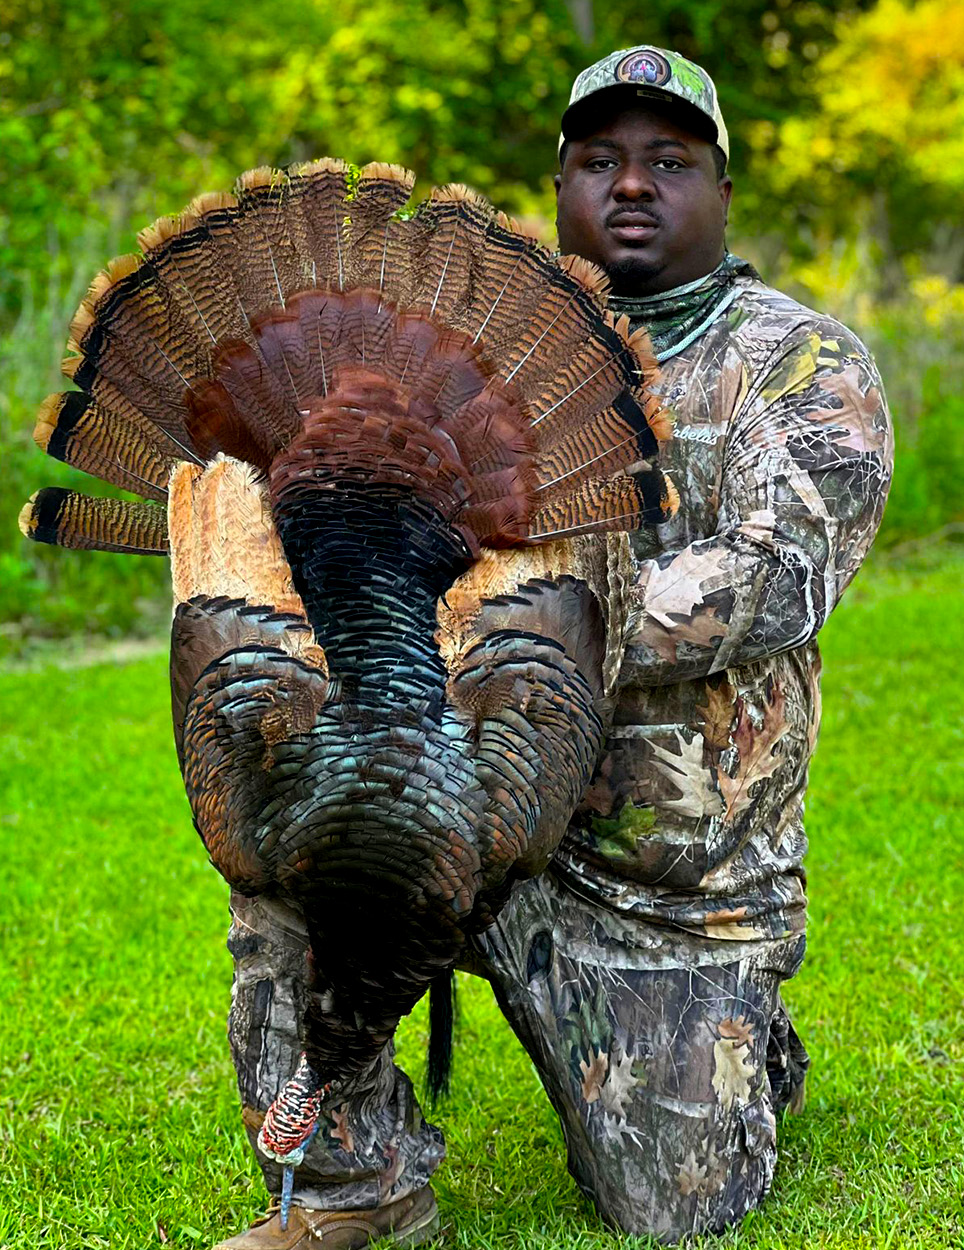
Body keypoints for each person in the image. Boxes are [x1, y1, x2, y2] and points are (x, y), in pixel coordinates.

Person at [217, 45, 893, 1248]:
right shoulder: (459, 360)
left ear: (723, 193)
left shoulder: (798, 361)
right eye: (599, 160)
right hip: (457, 813)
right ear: (560, 184)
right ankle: (348, 1176)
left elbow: (779, 576)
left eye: (667, 161)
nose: (630, 185)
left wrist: (529, 623)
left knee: (668, 1207)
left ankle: (744, 1039)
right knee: (293, 851)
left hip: (667, 887)